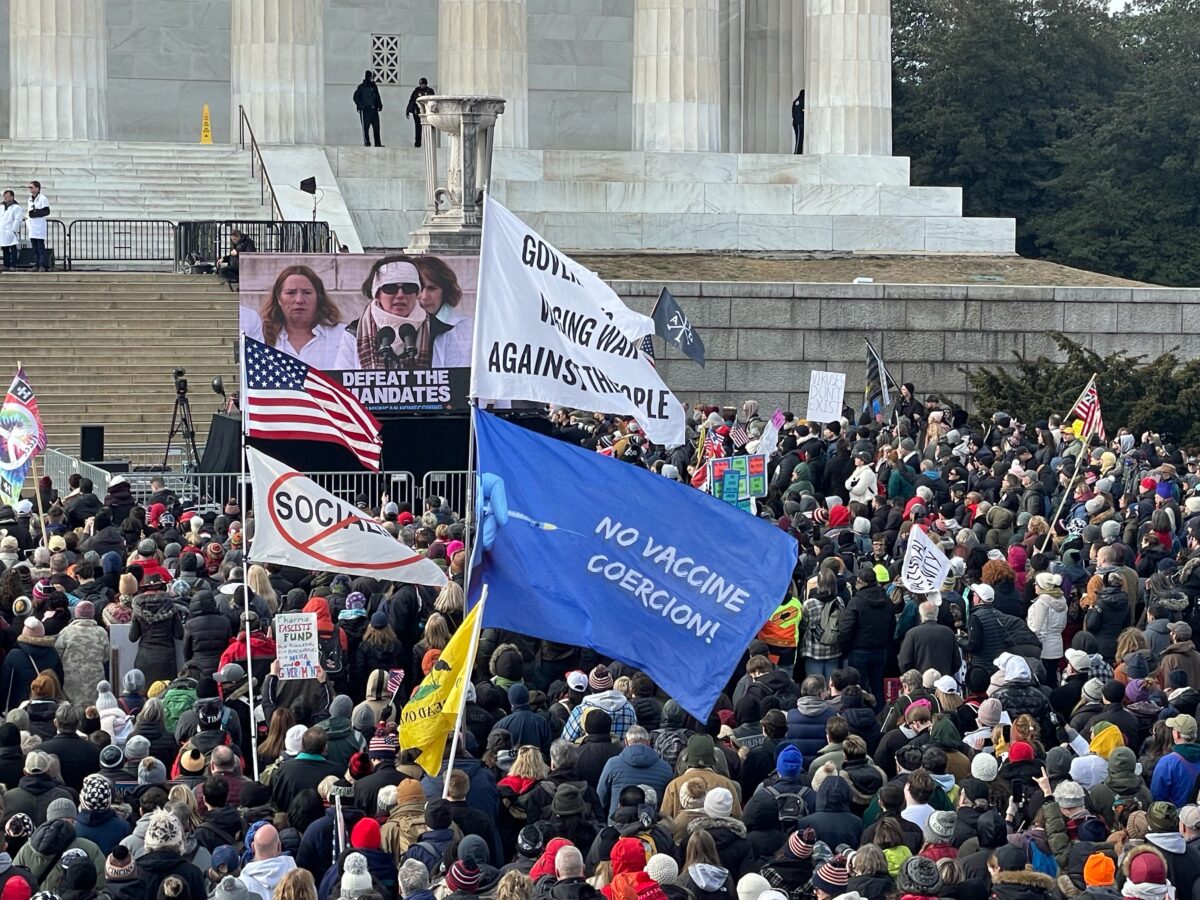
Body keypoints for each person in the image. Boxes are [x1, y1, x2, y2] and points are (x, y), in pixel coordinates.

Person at [336, 256, 468, 370]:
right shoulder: (353, 333)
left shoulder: (441, 332)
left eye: (408, 288)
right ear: (377, 293)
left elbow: (455, 383)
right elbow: (341, 386)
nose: (400, 295)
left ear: (417, 292)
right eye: (390, 288)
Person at [258, 265, 347, 369]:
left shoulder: (342, 336)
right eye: (291, 293)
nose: (299, 300)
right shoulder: (260, 336)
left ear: (318, 297)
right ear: (278, 298)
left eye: (307, 293)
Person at [415, 255, 473, 368]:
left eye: (432, 288)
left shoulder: (469, 329)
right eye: (418, 288)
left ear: (445, 291)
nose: (424, 297)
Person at [354, 70, 384, 147]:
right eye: (371, 78)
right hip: (365, 110)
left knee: (376, 127)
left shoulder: (374, 87)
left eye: (372, 78)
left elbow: (377, 96)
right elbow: (355, 97)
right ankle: (367, 142)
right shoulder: (361, 87)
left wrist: (379, 104)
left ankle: (378, 143)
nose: (372, 79)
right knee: (366, 128)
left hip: (374, 110)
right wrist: (360, 105)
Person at [25, 181, 50, 271]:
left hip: (39, 226)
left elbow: (46, 211)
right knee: (34, 247)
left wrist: (36, 213)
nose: (30, 189)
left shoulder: (43, 199)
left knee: (40, 247)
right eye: (29, 187)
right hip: (32, 226)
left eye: (31, 187)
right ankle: (36, 263)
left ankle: (42, 264)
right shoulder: (30, 199)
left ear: (37, 188)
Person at [406, 78, 435, 147]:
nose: (422, 86)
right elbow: (412, 101)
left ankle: (428, 144)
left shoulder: (429, 91)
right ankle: (417, 143)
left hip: (426, 112)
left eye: (423, 84)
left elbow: (433, 101)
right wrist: (408, 110)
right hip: (417, 112)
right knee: (418, 128)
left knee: (428, 128)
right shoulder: (416, 91)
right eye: (421, 84)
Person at [1, 189, 24, 270]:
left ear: (12, 197)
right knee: (5, 248)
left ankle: (13, 265)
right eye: (5, 196)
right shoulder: (1, 206)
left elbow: (18, 219)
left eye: (7, 196)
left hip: (10, 230)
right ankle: (6, 264)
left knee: (13, 248)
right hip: (2, 230)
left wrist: (13, 229)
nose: (6, 198)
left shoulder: (16, 207)